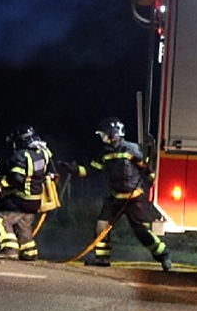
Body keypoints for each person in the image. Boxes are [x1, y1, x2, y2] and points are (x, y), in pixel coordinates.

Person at [59, 116, 172, 271]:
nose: (102, 138)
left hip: (134, 199)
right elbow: (91, 170)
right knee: (101, 226)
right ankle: (102, 259)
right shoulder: (104, 154)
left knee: (142, 232)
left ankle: (164, 256)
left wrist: (153, 179)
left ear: (114, 134)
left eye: (104, 134)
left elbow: (147, 168)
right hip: (115, 198)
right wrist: (73, 169)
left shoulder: (131, 149)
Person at [0, 124, 52, 261]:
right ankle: (29, 251)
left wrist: (2, 182)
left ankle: (10, 249)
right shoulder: (43, 152)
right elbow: (47, 171)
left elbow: (16, 178)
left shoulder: (20, 155)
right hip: (36, 199)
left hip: (22, 198)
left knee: (2, 219)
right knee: (24, 224)